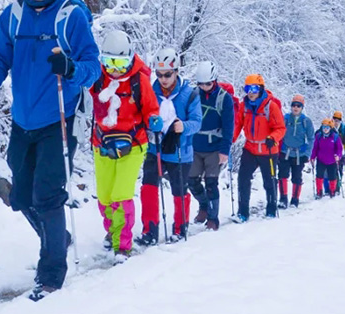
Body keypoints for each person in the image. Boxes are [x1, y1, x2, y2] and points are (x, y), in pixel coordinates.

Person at [0, 0, 100, 301]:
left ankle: (52, 273)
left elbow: (93, 67)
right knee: (21, 196)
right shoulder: (12, 16)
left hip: (59, 119)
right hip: (22, 120)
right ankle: (57, 238)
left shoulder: (71, 16)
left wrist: (70, 68)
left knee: (48, 197)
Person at [89, 31, 161, 261]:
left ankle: (123, 244)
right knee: (104, 196)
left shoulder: (139, 80)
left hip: (133, 144)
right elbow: (79, 92)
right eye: (109, 62)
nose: (115, 69)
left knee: (121, 194)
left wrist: (154, 120)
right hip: (102, 143)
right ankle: (112, 231)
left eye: (120, 63)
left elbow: (151, 108)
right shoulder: (97, 77)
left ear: (129, 59)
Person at [136, 48, 202, 244]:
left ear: (176, 71)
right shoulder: (150, 91)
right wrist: (150, 124)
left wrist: (184, 126)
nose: (163, 79)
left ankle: (180, 228)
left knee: (179, 189)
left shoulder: (189, 94)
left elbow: (197, 122)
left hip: (180, 151)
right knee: (148, 187)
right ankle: (150, 230)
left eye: (167, 74)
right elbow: (142, 114)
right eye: (159, 74)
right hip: (154, 148)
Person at [232, 74, 285, 221]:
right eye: (247, 88)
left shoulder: (271, 107)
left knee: (269, 180)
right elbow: (238, 124)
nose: (251, 92)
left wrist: (273, 138)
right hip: (250, 148)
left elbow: (280, 128)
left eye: (254, 88)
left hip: (268, 150)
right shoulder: (244, 106)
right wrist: (231, 138)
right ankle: (242, 212)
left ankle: (271, 209)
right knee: (243, 179)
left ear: (261, 89)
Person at [189, 61, 235, 230]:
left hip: (214, 147)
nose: (205, 87)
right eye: (201, 84)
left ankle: (212, 218)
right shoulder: (194, 94)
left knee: (211, 183)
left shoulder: (225, 99)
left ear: (214, 80)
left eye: (208, 83)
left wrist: (225, 150)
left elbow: (229, 126)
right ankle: (204, 205)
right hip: (195, 145)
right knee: (191, 180)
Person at [278, 94, 313, 208]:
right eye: (294, 105)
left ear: (302, 107)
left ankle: (295, 199)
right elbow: (279, 132)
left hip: (299, 154)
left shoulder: (306, 121)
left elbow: (311, 138)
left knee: (297, 177)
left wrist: (307, 153)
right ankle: (283, 199)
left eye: (298, 105)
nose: (296, 107)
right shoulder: (285, 118)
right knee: (282, 175)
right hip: (285, 152)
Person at [311, 119, 343, 199]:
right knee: (319, 176)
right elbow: (315, 148)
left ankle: (332, 191)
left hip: (332, 160)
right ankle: (319, 192)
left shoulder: (335, 137)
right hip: (321, 159)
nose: (325, 129)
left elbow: (339, 148)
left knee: (332, 176)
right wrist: (312, 157)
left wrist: (338, 156)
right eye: (324, 127)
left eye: (327, 127)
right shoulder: (318, 136)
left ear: (331, 128)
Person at [332, 110, 345, 189]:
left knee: (339, 170)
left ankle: (338, 187)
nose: (336, 122)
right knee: (332, 170)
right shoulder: (330, 127)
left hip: (341, 152)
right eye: (334, 120)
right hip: (331, 152)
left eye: (338, 120)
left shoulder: (344, 129)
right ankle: (331, 187)